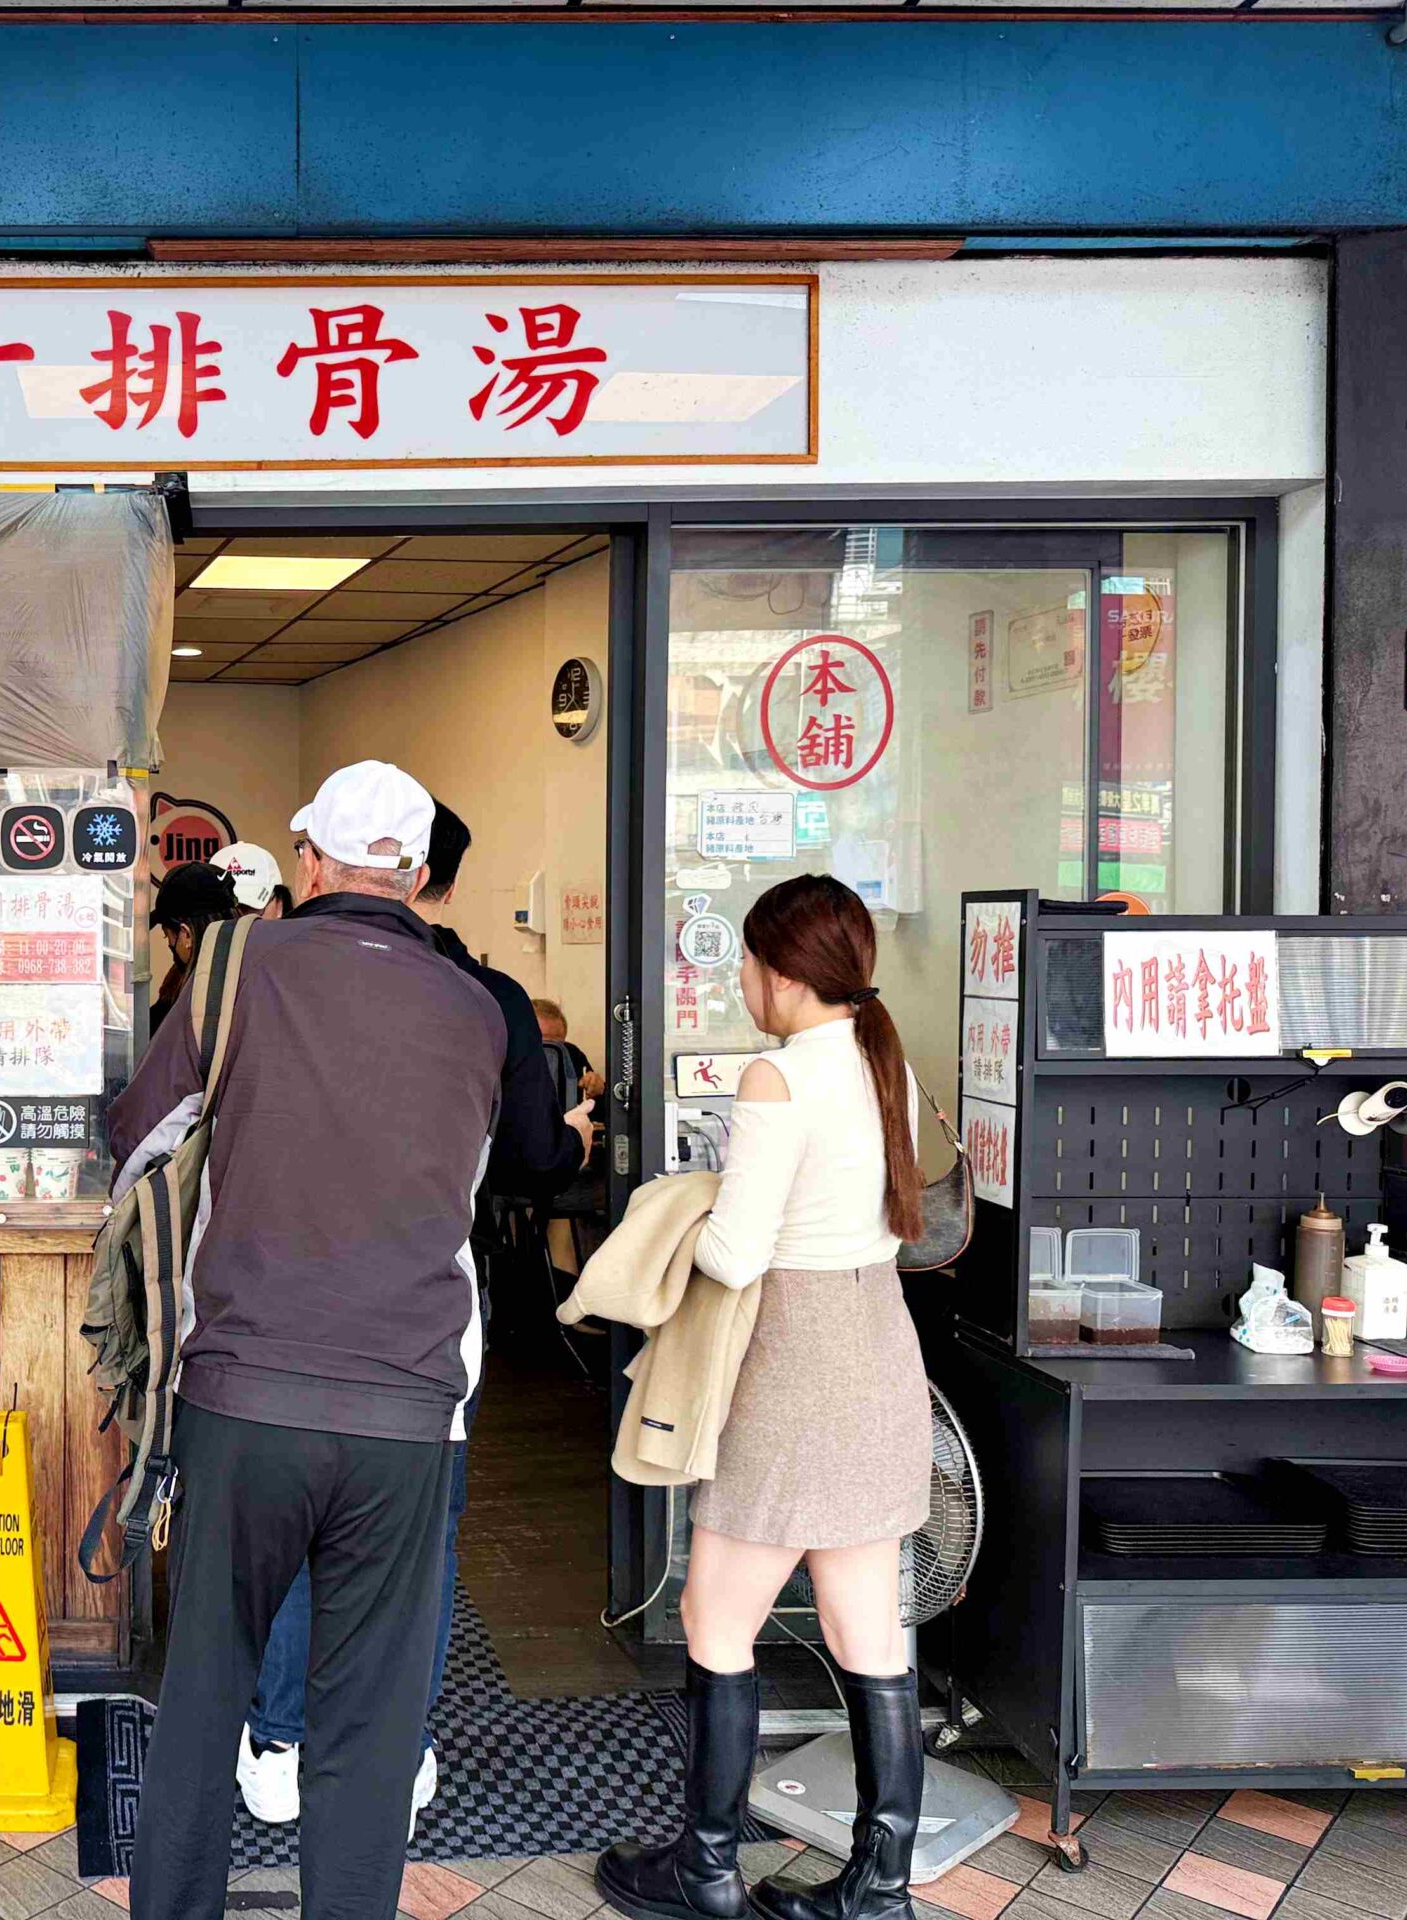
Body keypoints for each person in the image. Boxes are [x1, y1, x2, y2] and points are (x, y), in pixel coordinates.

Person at [110, 761, 507, 1920]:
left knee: (204, 1697)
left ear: (315, 863)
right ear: (420, 875)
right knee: (369, 1722)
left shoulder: (236, 965)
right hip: (409, 1407)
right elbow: (499, 1162)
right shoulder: (478, 1009)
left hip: (245, 1392)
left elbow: (139, 1136)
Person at [237, 803, 598, 1826]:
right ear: (433, 869)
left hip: (277, 1313)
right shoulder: (485, 999)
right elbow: (534, 1157)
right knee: (412, 1542)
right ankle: (391, 1754)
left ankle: (277, 1743)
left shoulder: (265, 978)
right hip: (425, 1323)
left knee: (293, 1536)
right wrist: (571, 1132)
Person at [596, 873, 931, 1920]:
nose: (740, 980)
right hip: (877, 1345)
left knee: (715, 1614)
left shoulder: (777, 1078)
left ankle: (704, 1870)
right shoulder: (887, 1064)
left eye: (745, 961)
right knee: (868, 1628)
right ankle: (880, 1885)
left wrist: (680, 1207)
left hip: (794, 1359)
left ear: (781, 974)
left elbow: (738, 1256)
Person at [148, 859, 241, 1033]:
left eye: (166, 934)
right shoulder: (256, 976)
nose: (169, 943)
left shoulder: (187, 1000)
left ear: (186, 935)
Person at [533, 997, 604, 1106]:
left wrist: (598, 1090)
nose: (550, 1055)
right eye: (543, 1044)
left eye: (557, 1045)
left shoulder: (571, 1054)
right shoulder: (504, 1058)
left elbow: (593, 1108)